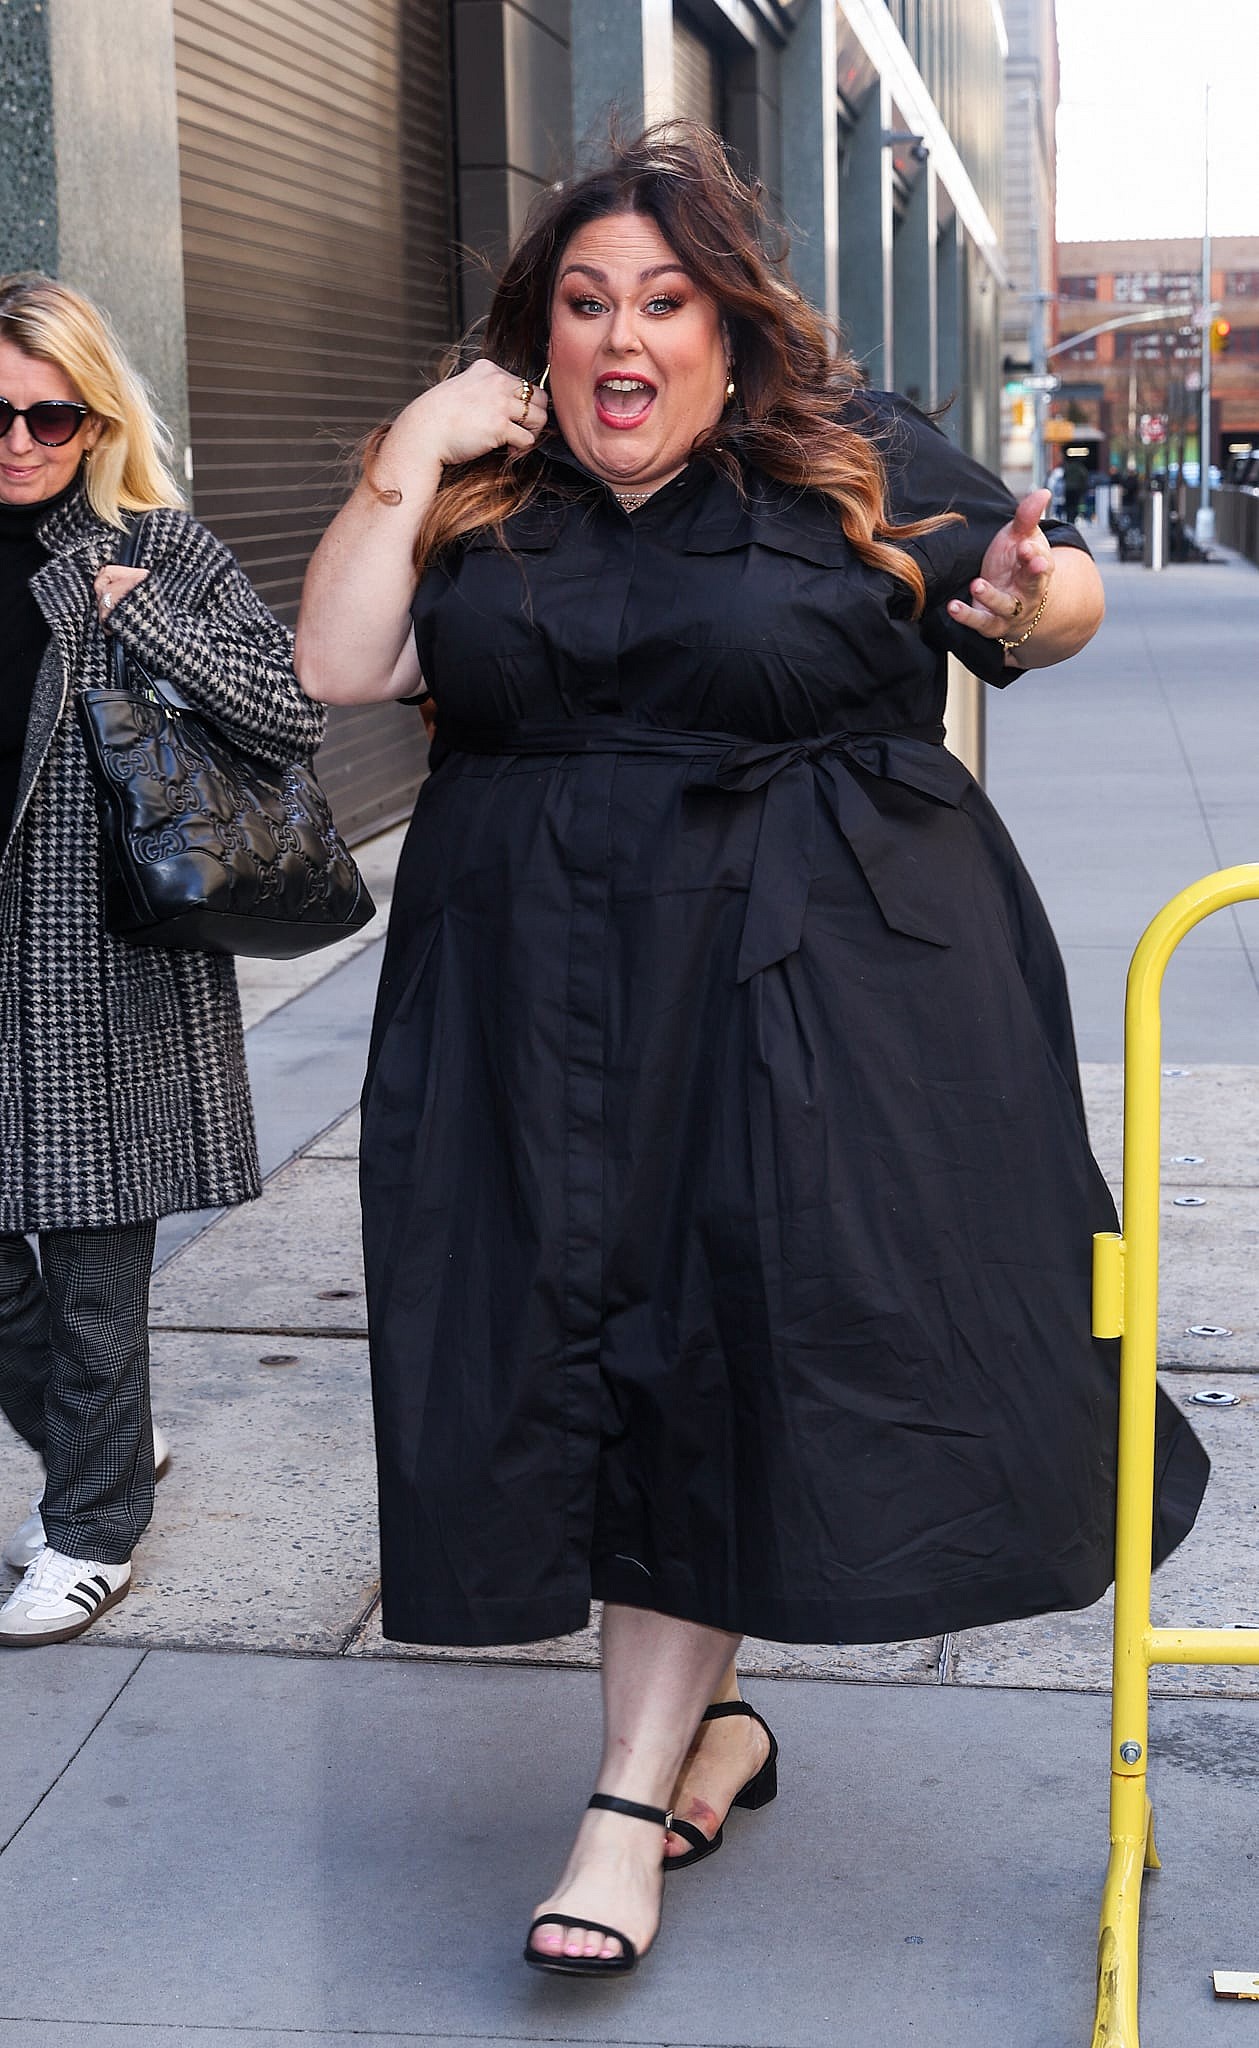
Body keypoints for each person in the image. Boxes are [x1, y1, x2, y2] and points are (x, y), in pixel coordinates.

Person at [296, 126, 1208, 1978]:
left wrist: (1034, 602)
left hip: (803, 986)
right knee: (591, 1352)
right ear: (535, 332)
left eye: (664, 299)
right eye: (583, 303)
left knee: (706, 1342)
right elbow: (338, 663)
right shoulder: (489, 489)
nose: (622, 339)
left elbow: (1053, 595)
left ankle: (626, 1804)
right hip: (527, 994)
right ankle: (710, 1729)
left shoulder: (842, 456)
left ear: (727, 326)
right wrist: (409, 451)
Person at [0, 273, 326, 1645]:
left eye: (48, 416)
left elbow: (290, 715)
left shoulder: (155, 546)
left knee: (86, 1253)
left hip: (93, 954)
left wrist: (141, 619)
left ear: (95, 417)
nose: (17, 441)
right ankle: (108, 1443)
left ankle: (91, 1525)